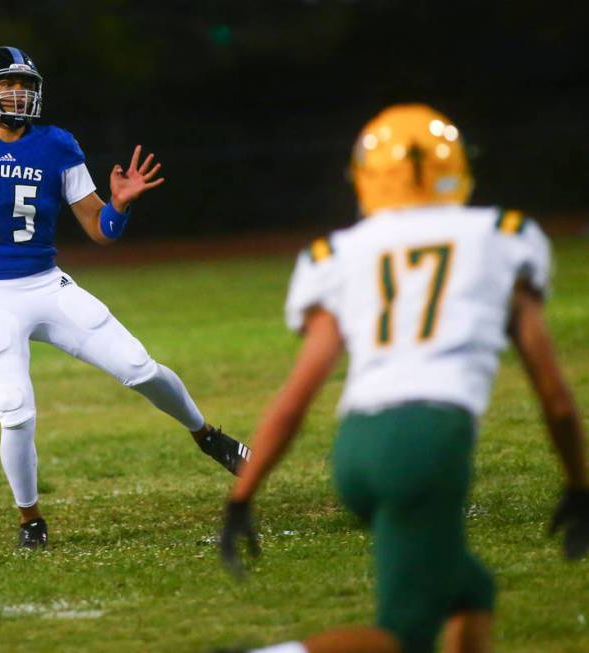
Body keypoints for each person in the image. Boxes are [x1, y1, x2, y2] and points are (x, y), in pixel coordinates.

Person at [214, 104, 589, 653]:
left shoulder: (339, 252)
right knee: (405, 633)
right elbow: (555, 398)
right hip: (427, 443)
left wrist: (242, 495)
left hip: (358, 449)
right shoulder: (502, 236)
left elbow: (297, 396)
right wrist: (579, 482)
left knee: (469, 589)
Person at [0, 46, 251, 549]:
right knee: (16, 411)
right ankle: (31, 519)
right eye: (7, 84)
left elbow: (101, 229)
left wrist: (119, 206)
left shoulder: (57, 144)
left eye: (24, 84)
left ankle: (207, 435)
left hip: (48, 285)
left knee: (140, 367)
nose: (19, 93)